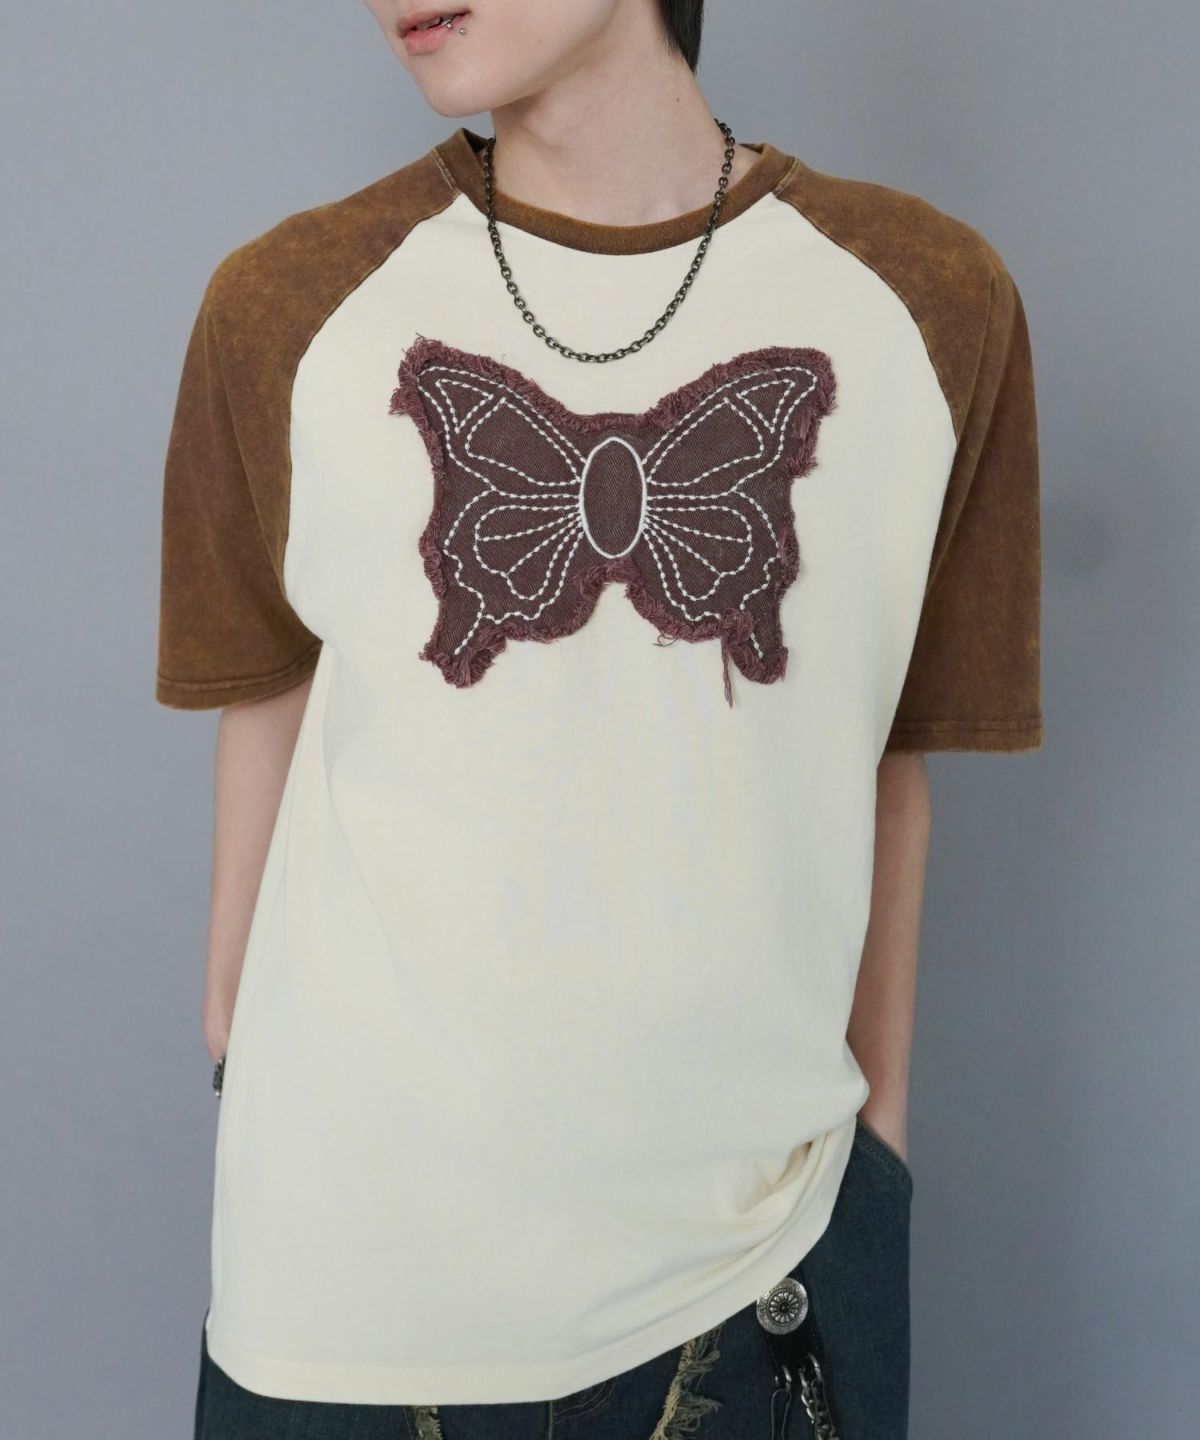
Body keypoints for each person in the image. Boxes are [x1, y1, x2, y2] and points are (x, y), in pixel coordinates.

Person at [159, 2, 1044, 1436]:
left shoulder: (929, 301)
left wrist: (875, 1156)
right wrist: (232, 1042)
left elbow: (889, 753)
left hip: (760, 1279)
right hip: (347, 1293)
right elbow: (265, 705)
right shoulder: (285, 304)